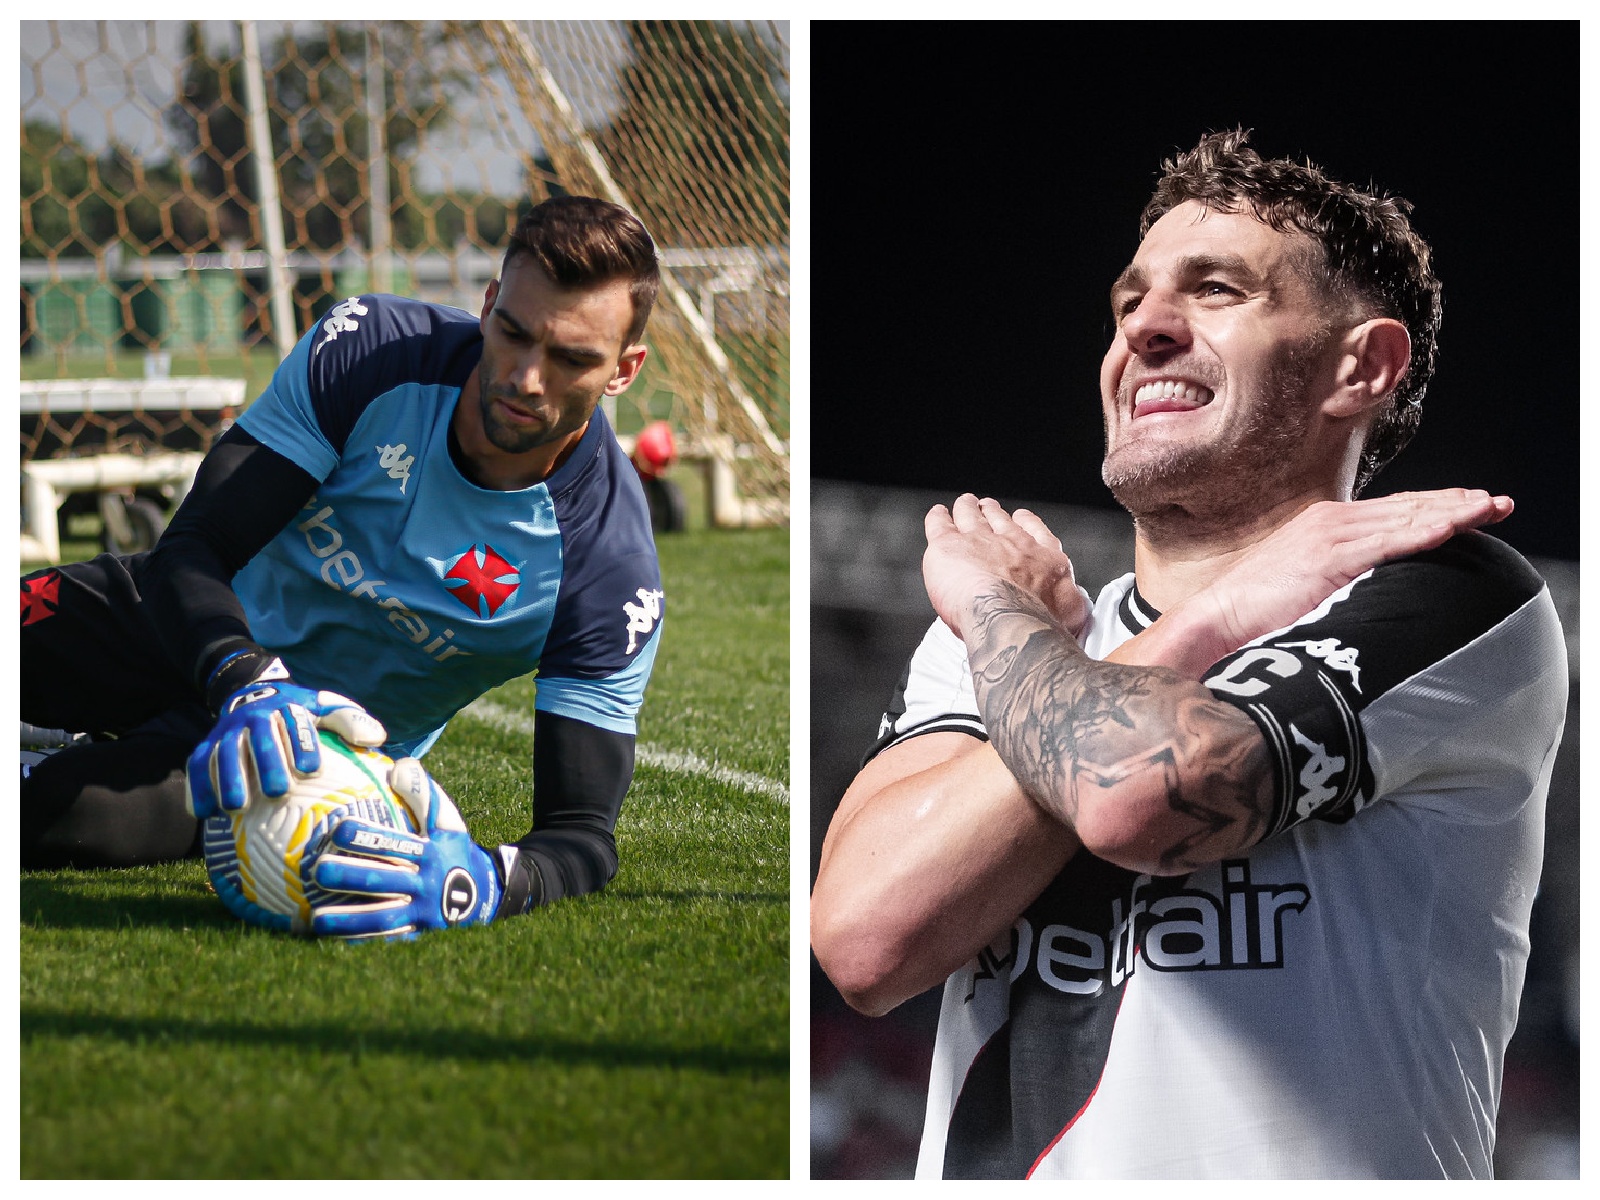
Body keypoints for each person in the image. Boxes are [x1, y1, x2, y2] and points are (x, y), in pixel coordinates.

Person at [810, 131, 1567, 1178]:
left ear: (1362, 365)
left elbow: (1133, 802)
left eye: (1215, 290)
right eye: (1128, 304)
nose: (1145, 330)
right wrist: (1112, 623)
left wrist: (1020, 624)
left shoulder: (1452, 593)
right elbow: (863, 941)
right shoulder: (1010, 636)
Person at [22, 195, 668, 933]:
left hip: (303, 762)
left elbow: (581, 835)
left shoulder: (607, 568)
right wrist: (247, 681)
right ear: (487, 305)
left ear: (623, 370)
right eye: (514, 333)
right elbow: (194, 547)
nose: (526, 377)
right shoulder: (374, 353)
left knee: (58, 821)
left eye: (571, 359)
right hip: (184, 628)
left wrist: (485, 883)